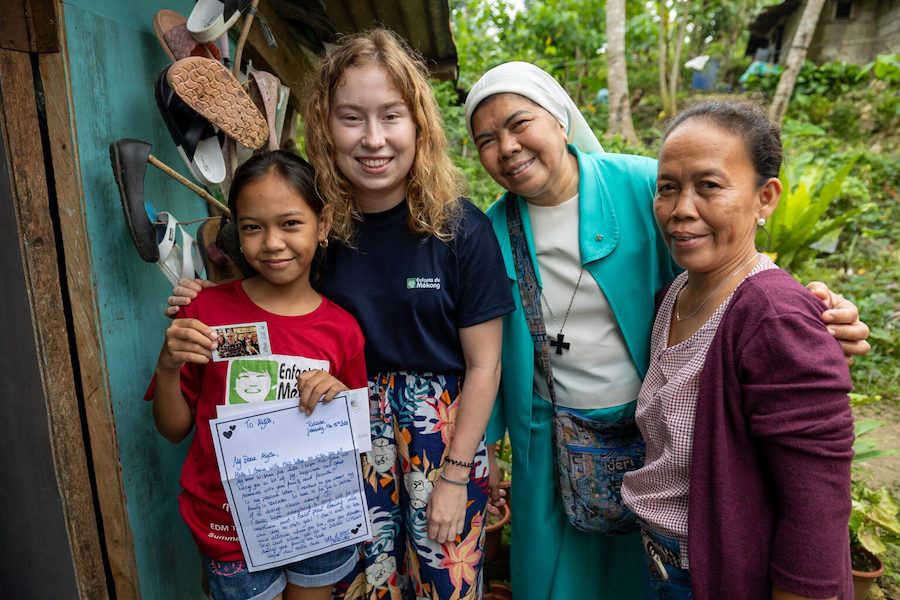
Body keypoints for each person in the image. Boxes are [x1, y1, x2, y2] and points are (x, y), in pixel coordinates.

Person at [464, 62, 869, 600]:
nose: (508, 147)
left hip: (661, 430)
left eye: (520, 124)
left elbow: (726, 254)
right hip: (550, 428)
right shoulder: (487, 231)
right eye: (487, 139)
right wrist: (486, 444)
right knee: (555, 572)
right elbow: (482, 343)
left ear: (560, 119)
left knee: (648, 567)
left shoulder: (641, 183)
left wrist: (810, 307)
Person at [167, 29, 515, 600]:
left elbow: (484, 366)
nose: (373, 139)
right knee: (357, 586)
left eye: (391, 116)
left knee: (443, 583)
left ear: (419, 124)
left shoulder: (459, 228)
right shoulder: (315, 227)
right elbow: (267, 305)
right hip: (330, 426)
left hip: (441, 436)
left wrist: (456, 475)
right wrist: (201, 298)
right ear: (326, 127)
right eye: (352, 117)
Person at [620, 100, 854, 600]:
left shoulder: (773, 315)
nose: (682, 208)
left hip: (719, 575)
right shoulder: (675, 295)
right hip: (661, 564)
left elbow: (816, 501)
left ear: (764, 198)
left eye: (709, 186)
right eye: (668, 188)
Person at [149, 150, 368, 600]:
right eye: (253, 226)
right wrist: (167, 367)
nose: (271, 243)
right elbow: (174, 430)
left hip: (315, 515)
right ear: (237, 232)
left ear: (322, 226)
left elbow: (357, 436)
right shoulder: (205, 312)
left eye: (290, 223)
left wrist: (341, 397)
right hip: (228, 526)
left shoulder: (342, 329)